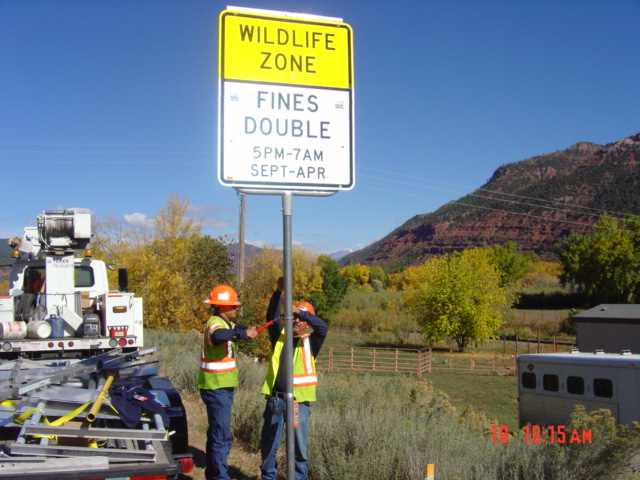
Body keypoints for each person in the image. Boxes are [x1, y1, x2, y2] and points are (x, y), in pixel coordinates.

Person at [259, 279, 329, 480]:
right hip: (276, 400)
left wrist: (299, 311)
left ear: (308, 322)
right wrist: (278, 292)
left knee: (299, 446)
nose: (296, 321)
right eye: (294, 318)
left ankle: (298, 477)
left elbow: (322, 327)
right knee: (270, 443)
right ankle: (268, 477)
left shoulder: (311, 342)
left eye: (301, 318)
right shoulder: (279, 336)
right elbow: (271, 317)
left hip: (299, 403)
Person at [198, 284, 257, 480]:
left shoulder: (225, 323)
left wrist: (246, 329)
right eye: (234, 305)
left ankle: (213, 473)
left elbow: (234, 328)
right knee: (221, 435)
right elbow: (219, 336)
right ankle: (219, 476)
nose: (237, 308)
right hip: (216, 387)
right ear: (222, 307)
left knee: (217, 432)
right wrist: (242, 334)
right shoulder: (215, 324)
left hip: (220, 386)